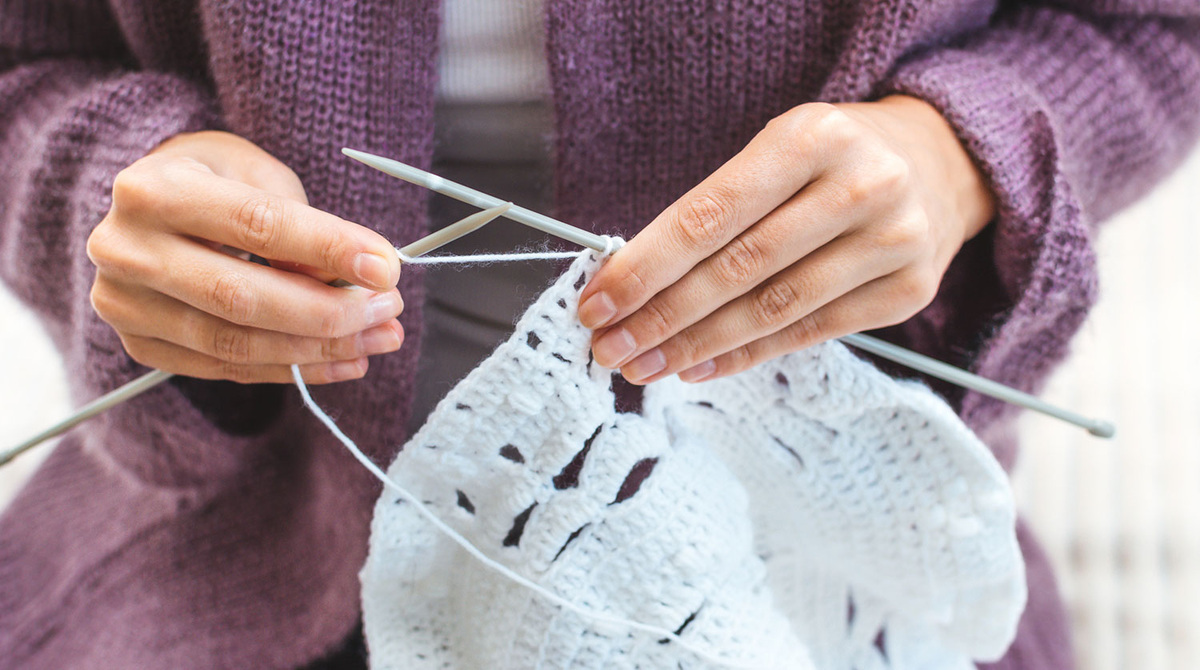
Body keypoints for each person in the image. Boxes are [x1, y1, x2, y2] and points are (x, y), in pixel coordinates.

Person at [0, 1, 1197, 668]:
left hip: (819, 570)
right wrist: (110, 187)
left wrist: (964, 157)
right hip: (227, 569)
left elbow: (1158, 30)